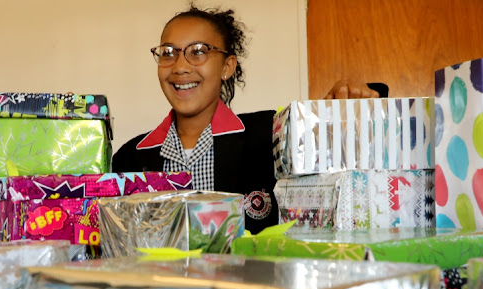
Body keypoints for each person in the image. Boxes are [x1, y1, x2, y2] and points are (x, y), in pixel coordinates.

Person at [112, 4, 378, 233]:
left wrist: (349, 102)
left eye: (198, 51)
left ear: (227, 67)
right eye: (168, 52)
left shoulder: (272, 134)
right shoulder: (129, 158)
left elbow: (340, 148)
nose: (180, 66)